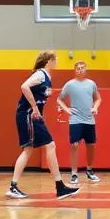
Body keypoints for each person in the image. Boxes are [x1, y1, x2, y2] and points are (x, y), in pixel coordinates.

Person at [8, 52, 80, 200]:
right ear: (48, 61)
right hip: (28, 114)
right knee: (49, 145)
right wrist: (34, 107)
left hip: (32, 115)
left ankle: (14, 186)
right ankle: (59, 186)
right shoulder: (41, 74)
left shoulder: (46, 77)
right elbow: (24, 86)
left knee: (29, 149)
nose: (57, 62)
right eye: (55, 60)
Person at [57, 60, 101, 185]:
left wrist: (95, 107)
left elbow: (98, 98)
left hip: (89, 120)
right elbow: (59, 99)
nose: (80, 70)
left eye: (82, 67)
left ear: (86, 70)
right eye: (78, 68)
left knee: (91, 145)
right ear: (74, 71)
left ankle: (89, 170)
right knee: (74, 145)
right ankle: (74, 173)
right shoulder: (70, 85)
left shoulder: (91, 84)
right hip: (75, 120)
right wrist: (66, 109)